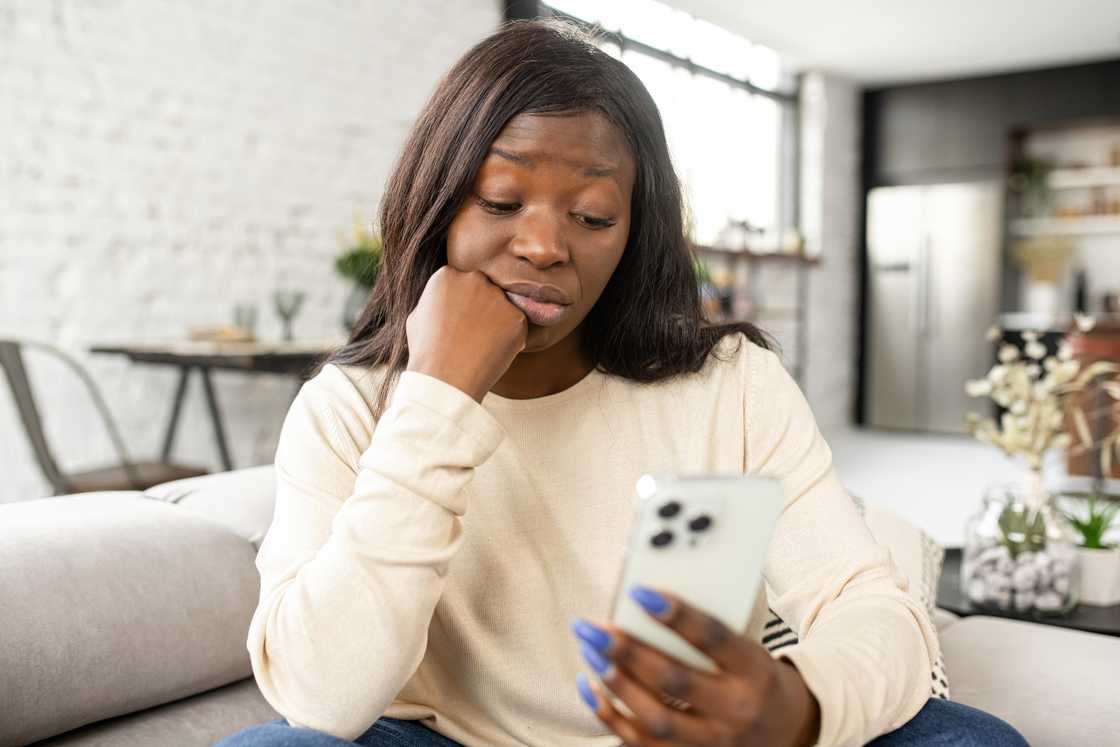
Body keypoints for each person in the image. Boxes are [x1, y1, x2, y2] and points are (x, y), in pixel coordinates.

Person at [215, 19, 1029, 747]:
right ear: (437, 205)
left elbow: (872, 608)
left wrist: (796, 708)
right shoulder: (347, 407)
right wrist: (437, 400)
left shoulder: (731, 385)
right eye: (501, 200)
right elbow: (320, 698)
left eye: (593, 216)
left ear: (633, 233)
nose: (544, 245)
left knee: (974, 740)